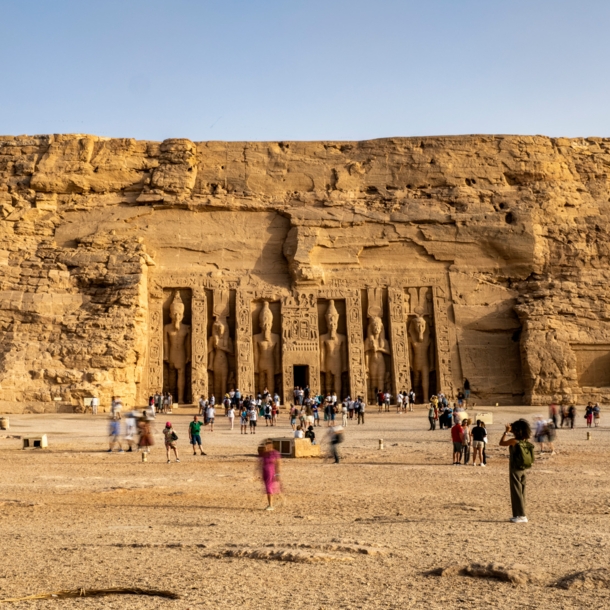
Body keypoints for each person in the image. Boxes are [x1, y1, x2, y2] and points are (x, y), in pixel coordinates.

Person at [499, 419, 534, 523]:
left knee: (516, 492)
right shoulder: (525, 440)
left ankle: (521, 515)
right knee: (521, 492)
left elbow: (501, 443)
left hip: (515, 469)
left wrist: (506, 432)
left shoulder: (514, 441)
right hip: (523, 469)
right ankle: (518, 514)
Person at [259, 439, 281, 510]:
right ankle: (273, 503)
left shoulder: (275, 453)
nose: (267, 447)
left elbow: (278, 464)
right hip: (265, 473)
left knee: (269, 488)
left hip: (271, 473)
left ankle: (270, 505)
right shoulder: (264, 454)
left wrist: (277, 474)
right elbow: (260, 464)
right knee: (269, 488)